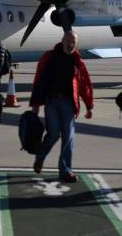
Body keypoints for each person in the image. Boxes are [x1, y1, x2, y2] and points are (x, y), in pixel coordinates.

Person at [30, 31, 94, 183]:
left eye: (73, 42)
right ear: (62, 40)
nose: (70, 44)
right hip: (52, 101)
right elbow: (39, 79)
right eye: (68, 41)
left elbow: (85, 83)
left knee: (68, 137)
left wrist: (89, 105)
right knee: (53, 134)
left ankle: (65, 171)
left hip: (68, 103)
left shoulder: (77, 61)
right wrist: (36, 104)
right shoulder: (50, 57)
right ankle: (40, 158)